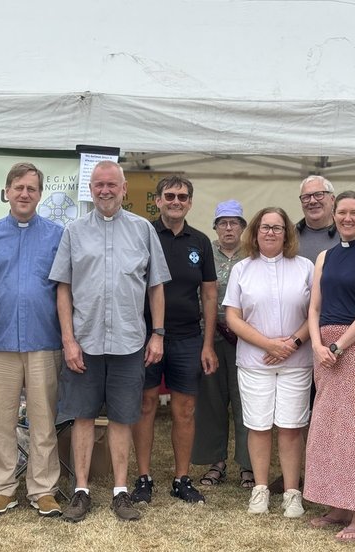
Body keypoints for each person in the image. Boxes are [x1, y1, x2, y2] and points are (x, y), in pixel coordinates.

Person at [49, 160, 170, 522]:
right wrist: (68, 340)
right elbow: (63, 289)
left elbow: (156, 286)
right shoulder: (73, 231)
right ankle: (81, 491)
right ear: (91, 189)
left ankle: (121, 491)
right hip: (84, 344)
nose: (105, 190)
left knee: (122, 417)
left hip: (129, 343)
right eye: (98, 184)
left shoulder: (142, 229)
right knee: (82, 417)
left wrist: (158, 334)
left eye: (111, 185)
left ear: (123, 189)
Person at [0, 162, 64, 518]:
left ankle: (43, 490)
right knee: (1, 420)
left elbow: (65, 290)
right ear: (7, 191)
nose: (25, 194)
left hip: (44, 340)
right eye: (19, 187)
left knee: (43, 420)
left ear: (40, 194)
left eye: (32, 188)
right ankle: (3, 489)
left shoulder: (57, 235)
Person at [304, 190, 355, 542]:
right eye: (342, 213)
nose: (347, 218)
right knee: (328, 429)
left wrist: (337, 346)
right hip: (324, 348)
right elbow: (313, 309)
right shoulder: (324, 256)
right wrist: (318, 345)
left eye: (354, 213)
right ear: (334, 215)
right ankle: (336, 505)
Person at [131, 175, 218, 505]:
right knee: (146, 405)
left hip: (187, 338)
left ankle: (182, 479)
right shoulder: (143, 234)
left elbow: (209, 295)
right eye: (170, 196)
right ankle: (143, 477)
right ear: (158, 200)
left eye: (183, 197)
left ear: (190, 203)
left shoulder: (200, 242)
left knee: (185, 410)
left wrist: (208, 344)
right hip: (146, 336)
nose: (176, 201)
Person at [223, 207, 313, 518]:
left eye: (277, 227)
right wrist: (269, 344)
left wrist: (291, 344)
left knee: (290, 427)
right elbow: (232, 317)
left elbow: (314, 313)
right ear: (255, 233)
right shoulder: (242, 269)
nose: (271, 232)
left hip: (297, 360)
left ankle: (291, 493)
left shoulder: (305, 267)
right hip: (253, 361)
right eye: (265, 227)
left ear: (287, 233)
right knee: (258, 426)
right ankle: (260, 490)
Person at [191, 200, 254, 489]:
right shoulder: (205, 252)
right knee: (212, 402)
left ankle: (248, 465)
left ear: (242, 226)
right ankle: (215, 463)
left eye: (234, 223)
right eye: (223, 223)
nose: (229, 228)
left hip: (245, 337)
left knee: (246, 403)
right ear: (215, 227)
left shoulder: (253, 254)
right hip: (211, 336)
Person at [296, 176, 337, 263]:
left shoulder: (346, 236)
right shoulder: (288, 236)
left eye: (318, 195)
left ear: (332, 199)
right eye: (306, 197)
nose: (312, 201)